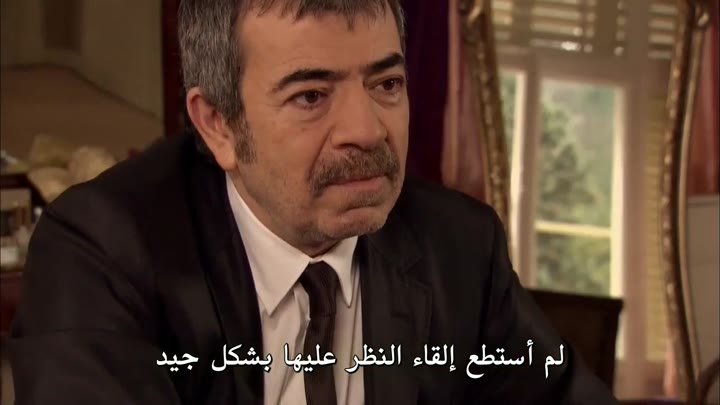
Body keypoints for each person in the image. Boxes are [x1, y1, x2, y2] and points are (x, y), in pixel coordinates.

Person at [7, 0, 619, 404]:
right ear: (218, 124)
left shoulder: (458, 247)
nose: (368, 131)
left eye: (387, 84)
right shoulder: (103, 250)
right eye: (311, 96)